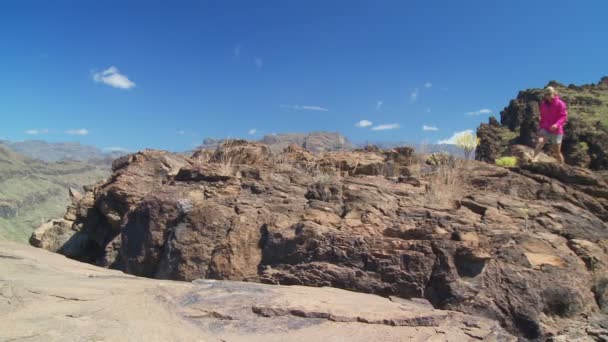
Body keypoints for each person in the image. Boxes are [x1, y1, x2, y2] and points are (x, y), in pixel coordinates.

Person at [532, 86, 568, 164]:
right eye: (546, 94)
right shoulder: (543, 105)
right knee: (540, 141)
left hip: (557, 130)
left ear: (554, 93)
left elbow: (563, 116)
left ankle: (562, 165)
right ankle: (534, 159)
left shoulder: (560, 104)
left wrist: (556, 125)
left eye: (549, 94)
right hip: (545, 128)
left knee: (556, 151)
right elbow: (542, 117)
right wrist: (540, 128)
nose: (548, 96)